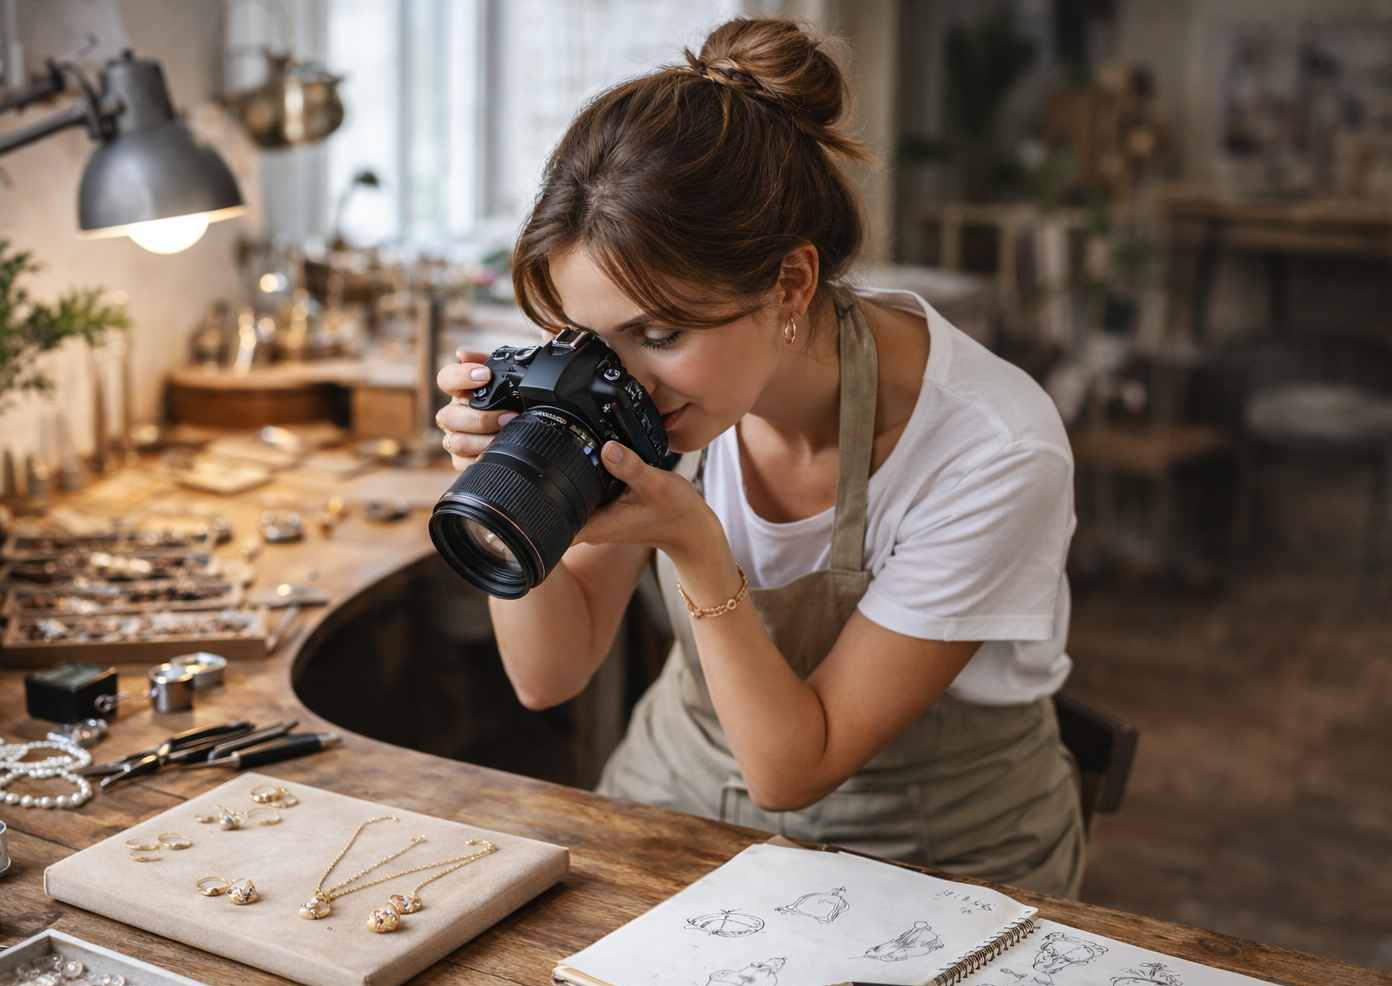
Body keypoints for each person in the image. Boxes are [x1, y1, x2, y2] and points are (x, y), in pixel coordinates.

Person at [437, 17, 1084, 897]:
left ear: (790, 283)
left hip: (927, 857)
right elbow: (549, 674)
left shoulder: (991, 448)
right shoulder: (645, 393)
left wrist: (698, 546)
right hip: (673, 804)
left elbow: (795, 768)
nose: (619, 377)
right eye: (587, 338)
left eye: (658, 333)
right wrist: (510, 477)